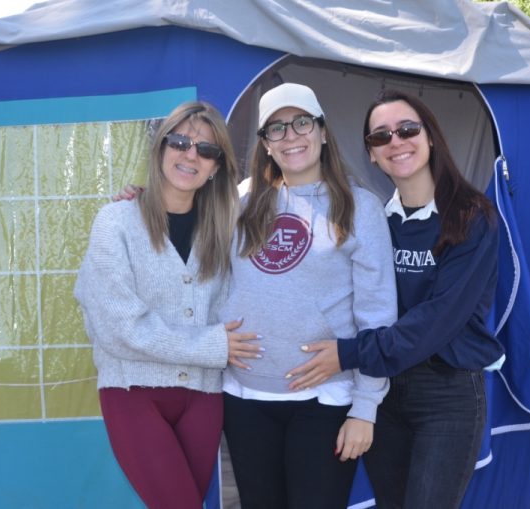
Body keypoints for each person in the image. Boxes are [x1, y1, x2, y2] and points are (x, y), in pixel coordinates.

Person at [286, 89, 506, 509]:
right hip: (384, 390)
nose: (396, 142)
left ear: (431, 136)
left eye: (407, 129)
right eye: (380, 136)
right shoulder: (375, 221)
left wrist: (347, 353)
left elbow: (436, 321)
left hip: (447, 393)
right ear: (371, 154)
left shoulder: (472, 218)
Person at [74, 101, 261, 509]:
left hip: (203, 396)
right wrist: (212, 346)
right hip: (133, 392)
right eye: (180, 142)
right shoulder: (116, 222)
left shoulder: (227, 229)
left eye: (206, 150)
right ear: (160, 147)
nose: (190, 155)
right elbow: (118, 328)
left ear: (216, 167)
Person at [219, 83, 397, 509]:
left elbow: (377, 315)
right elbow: (185, 234)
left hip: (325, 402)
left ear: (322, 131)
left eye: (302, 122)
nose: (291, 136)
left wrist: (365, 407)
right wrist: (139, 200)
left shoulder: (360, 207)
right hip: (245, 399)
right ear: (265, 143)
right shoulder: (238, 201)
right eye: (276, 128)